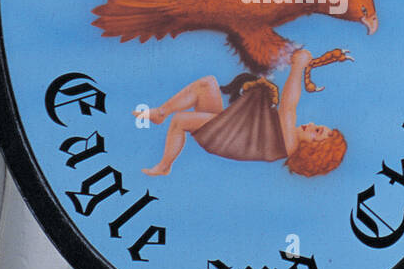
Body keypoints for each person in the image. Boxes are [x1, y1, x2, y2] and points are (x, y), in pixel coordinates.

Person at [133, 48, 347, 177]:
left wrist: (299, 66)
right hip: (231, 128)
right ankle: (161, 112)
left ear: (312, 152)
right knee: (207, 84)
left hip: (226, 139)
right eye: (318, 126)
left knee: (180, 121)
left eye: (316, 131)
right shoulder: (288, 138)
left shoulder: (291, 147)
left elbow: (288, 106)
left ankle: (164, 166)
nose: (310, 124)